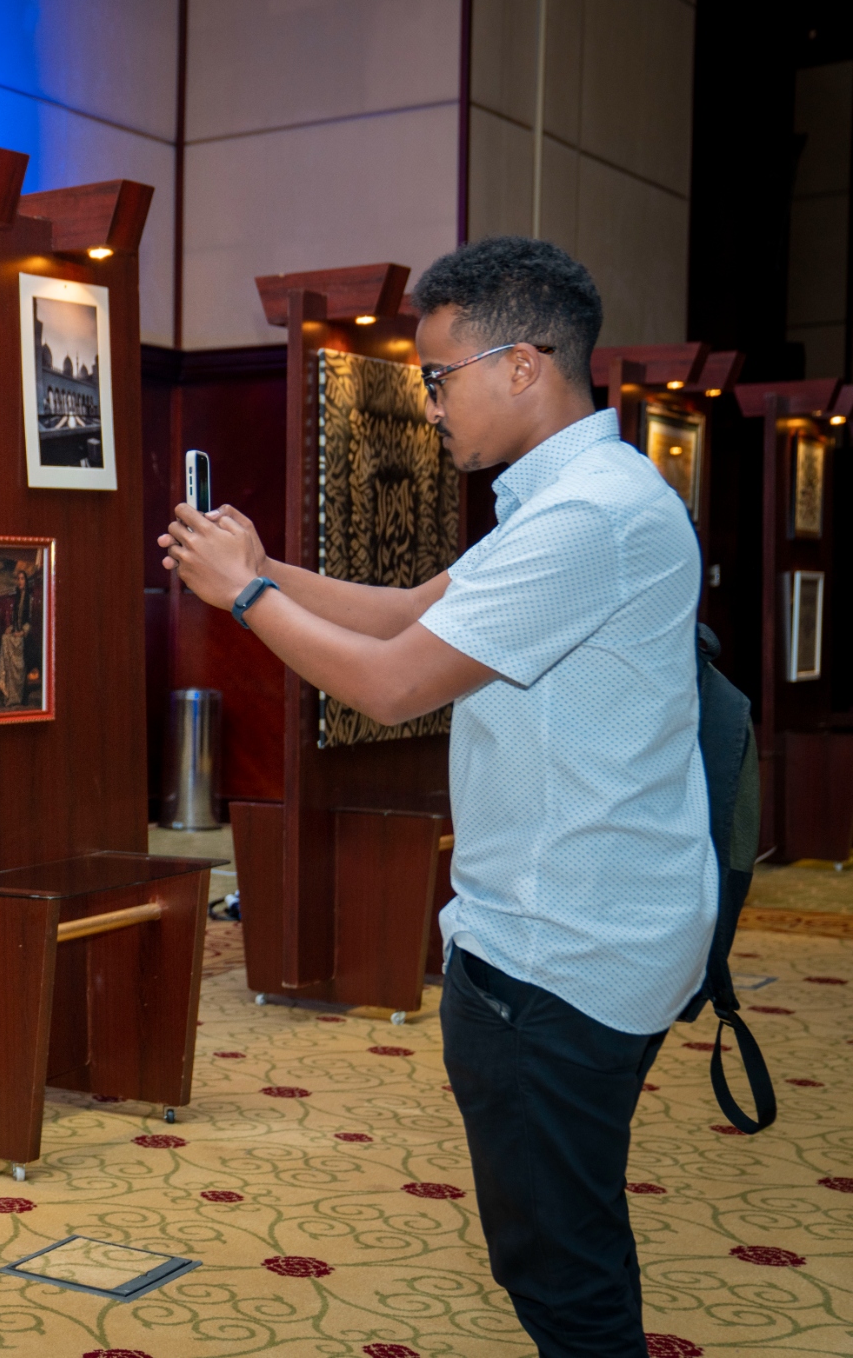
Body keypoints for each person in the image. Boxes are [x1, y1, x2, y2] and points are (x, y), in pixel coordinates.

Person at [162, 235, 716, 1358]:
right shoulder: (573, 497)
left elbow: (391, 682)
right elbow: (410, 609)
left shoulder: (587, 518)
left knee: (561, 1273)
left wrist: (247, 599)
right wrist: (261, 566)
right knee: (565, 1239)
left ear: (522, 366)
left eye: (439, 376)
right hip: (588, 927)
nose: (427, 404)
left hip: (561, 949)